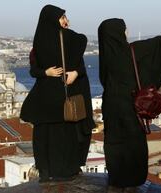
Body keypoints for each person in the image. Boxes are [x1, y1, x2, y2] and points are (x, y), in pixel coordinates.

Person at [98, 14, 161, 191]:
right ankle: (132, 181)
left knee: (114, 144)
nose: (127, 31)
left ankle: (117, 180)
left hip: (111, 108)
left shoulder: (105, 59)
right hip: (129, 107)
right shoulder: (133, 50)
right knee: (133, 143)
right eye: (124, 28)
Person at [20, 4, 95, 182]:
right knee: (65, 134)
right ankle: (67, 169)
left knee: (44, 136)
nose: (66, 21)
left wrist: (46, 73)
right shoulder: (69, 39)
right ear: (55, 20)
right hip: (64, 96)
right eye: (63, 18)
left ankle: (46, 171)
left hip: (45, 98)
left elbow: (34, 70)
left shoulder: (38, 42)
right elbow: (83, 40)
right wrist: (75, 72)